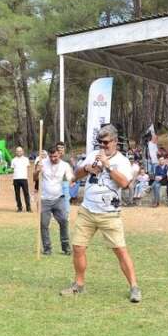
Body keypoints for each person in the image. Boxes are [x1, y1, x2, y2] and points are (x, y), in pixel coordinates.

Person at [60, 124, 141, 303]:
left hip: (109, 213)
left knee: (120, 250)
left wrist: (108, 166)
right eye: (100, 143)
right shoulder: (92, 155)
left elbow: (125, 183)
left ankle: (134, 287)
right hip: (88, 210)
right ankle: (79, 284)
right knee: (78, 247)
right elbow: (76, 175)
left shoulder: (122, 160)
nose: (102, 146)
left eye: (106, 143)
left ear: (115, 142)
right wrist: (88, 168)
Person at [36, 147, 73, 255]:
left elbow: (70, 176)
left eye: (55, 156)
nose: (53, 158)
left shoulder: (64, 165)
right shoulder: (42, 163)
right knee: (44, 225)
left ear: (60, 154)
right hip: (44, 199)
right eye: (51, 156)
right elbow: (34, 178)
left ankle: (66, 248)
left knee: (64, 221)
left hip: (59, 198)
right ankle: (47, 249)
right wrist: (37, 171)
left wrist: (72, 181)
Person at [10, 146, 31, 212]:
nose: (19, 152)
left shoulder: (26, 159)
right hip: (16, 178)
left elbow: (28, 167)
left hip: (24, 178)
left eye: (20, 151)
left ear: (23, 151)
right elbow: (12, 168)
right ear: (16, 152)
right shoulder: (13, 160)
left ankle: (28, 208)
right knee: (17, 194)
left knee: (26, 193)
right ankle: (19, 207)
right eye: (17, 151)